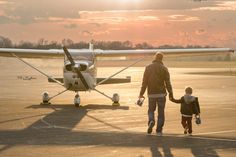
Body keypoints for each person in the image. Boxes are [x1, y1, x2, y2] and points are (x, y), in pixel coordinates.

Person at [139, 52, 173, 136]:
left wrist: (141, 93)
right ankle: (159, 130)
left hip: (151, 94)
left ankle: (151, 121)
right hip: (161, 94)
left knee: (151, 110)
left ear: (155, 58)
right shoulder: (164, 68)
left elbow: (144, 82)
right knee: (161, 112)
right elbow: (168, 83)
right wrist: (171, 94)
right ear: (162, 59)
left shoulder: (148, 68)